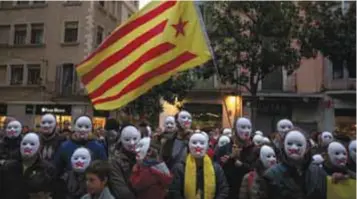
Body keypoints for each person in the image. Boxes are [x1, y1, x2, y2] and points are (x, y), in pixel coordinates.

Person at [258, 129, 327, 199]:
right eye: (289, 144)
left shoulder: (319, 173)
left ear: (307, 147)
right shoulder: (271, 175)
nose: (294, 148)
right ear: (283, 145)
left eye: (299, 144)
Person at [169, 132, 229, 199]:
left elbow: (223, 190)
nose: (198, 146)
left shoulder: (216, 168)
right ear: (189, 145)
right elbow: (174, 191)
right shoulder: (179, 168)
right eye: (194, 143)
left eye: (202, 143)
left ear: (206, 147)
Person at [1, 132, 56, 199]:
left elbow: (51, 193)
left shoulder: (48, 169)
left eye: (32, 144)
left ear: (39, 147)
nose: (27, 146)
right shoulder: (8, 166)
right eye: (24, 144)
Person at [216, 117, 255, 199]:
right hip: (229, 193)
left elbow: (257, 171)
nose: (247, 130)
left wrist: (242, 165)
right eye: (243, 127)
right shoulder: (224, 149)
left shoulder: (255, 150)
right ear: (235, 129)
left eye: (249, 127)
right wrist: (226, 162)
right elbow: (217, 171)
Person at [109, 124, 141, 199]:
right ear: (121, 139)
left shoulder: (146, 154)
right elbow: (120, 188)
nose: (132, 143)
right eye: (127, 139)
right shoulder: (114, 160)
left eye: (135, 138)